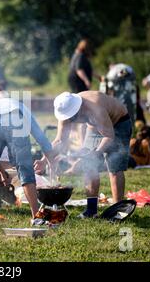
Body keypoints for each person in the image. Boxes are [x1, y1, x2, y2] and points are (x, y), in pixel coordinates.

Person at [38, 91, 132, 219]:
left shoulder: (95, 108)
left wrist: (97, 152)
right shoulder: (65, 110)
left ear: (78, 109)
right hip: (95, 127)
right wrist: (44, 160)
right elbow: (60, 141)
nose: (70, 120)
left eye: (71, 117)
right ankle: (91, 210)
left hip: (119, 123)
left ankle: (117, 210)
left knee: (115, 168)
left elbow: (109, 136)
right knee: (89, 166)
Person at [0, 97, 56, 227]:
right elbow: (41, 138)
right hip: (16, 120)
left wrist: (0, 170)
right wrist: (51, 163)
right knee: (25, 168)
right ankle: (36, 216)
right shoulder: (22, 109)